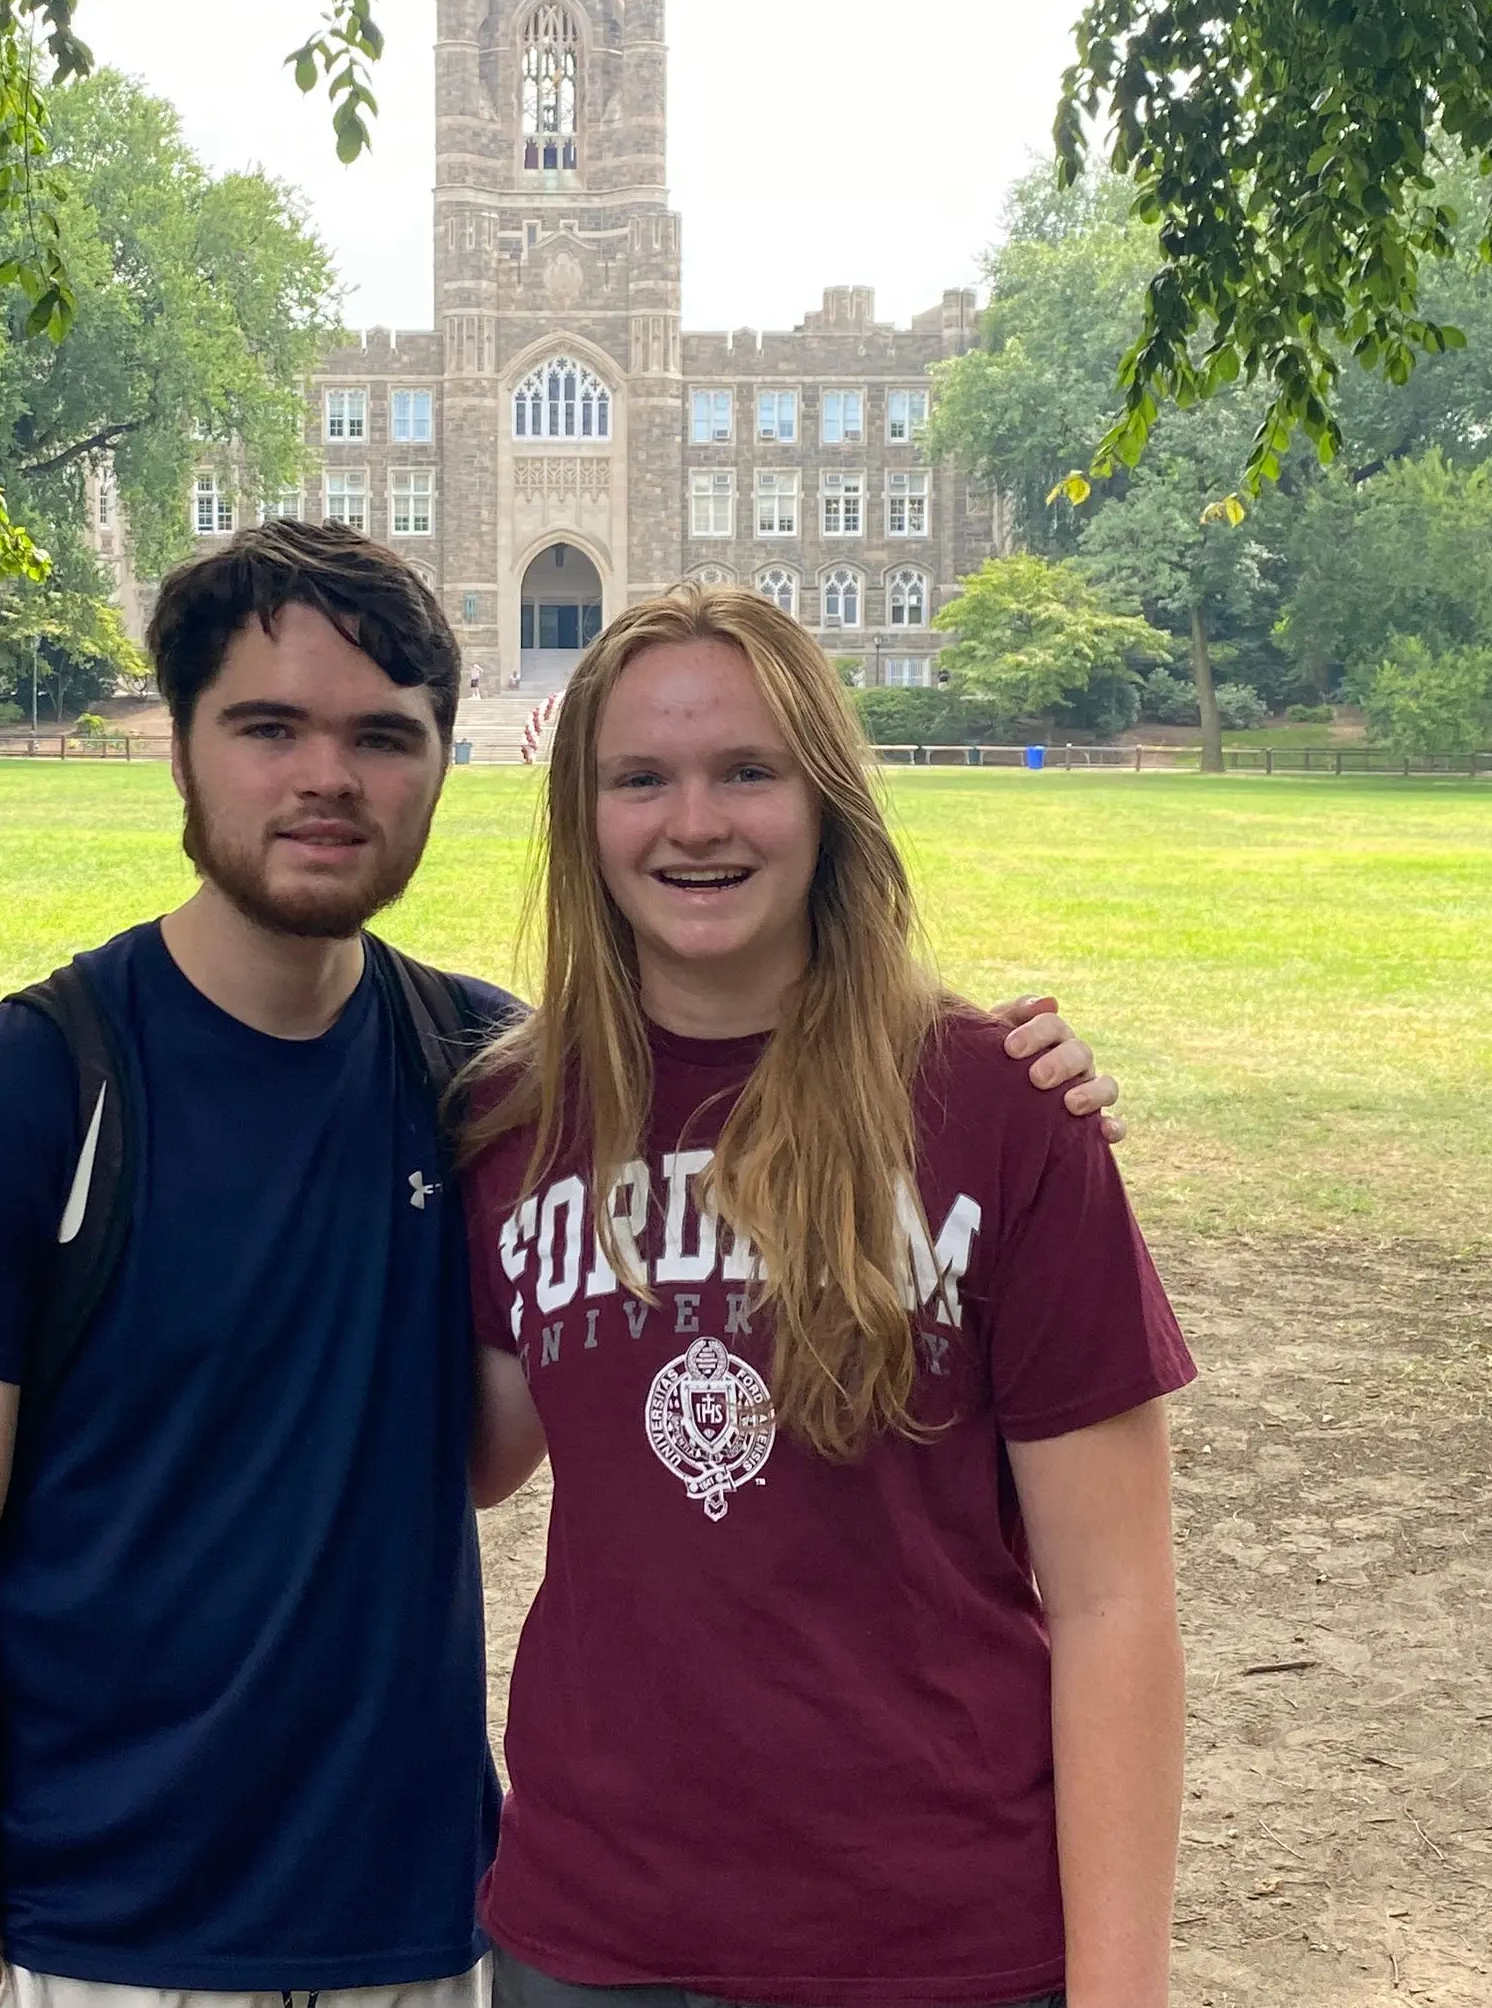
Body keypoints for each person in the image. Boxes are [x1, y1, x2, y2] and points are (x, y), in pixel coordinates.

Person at [0, 523, 1124, 2008]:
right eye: (268, 727)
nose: (327, 776)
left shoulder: (488, 1076)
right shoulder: (32, 1093)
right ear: (182, 750)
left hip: (432, 1914)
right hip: (104, 1928)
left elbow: (508, 1428)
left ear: (449, 768)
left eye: (382, 737)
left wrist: (1000, 1079)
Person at [463, 582, 1191, 2008]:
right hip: (590, 1934)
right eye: (640, 779)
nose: (696, 823)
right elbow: (475, 1456)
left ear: (828, 798)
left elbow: (1114, 1601)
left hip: (935, 1942)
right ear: (582, 818)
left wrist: (1122, 1992)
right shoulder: (513, 1119)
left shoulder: (999, 1110)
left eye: (749, 770)